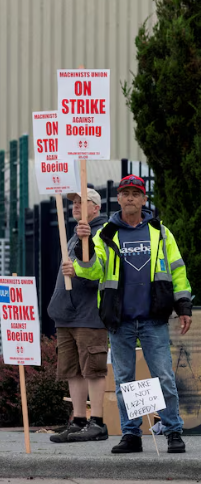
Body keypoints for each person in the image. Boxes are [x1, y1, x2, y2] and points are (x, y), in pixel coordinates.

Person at [70, 174, 193, 454]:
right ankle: (131, 435)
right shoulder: (105, 234)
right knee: (125, 381)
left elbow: (177, 271)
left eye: (135, 194)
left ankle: (173, 431)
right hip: (120, 319)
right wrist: (83, 246)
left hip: (154, 318)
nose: (129, 198)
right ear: (118, 199)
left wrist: (183, 307)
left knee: (164, 377)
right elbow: (91, 272)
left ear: (143, 199)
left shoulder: (160, 232)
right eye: (125, 193)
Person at [49, 188, 109, 443]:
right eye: (73, 202)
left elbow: (102, 269)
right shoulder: (74, 235)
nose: (75, 205)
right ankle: (79, 420)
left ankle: (97, 421)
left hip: (89, 314)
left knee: (92, 369)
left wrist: (79, 269)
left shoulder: (102, 233)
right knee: (72, 369)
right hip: (67, 314)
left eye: (83, 202)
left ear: (96, 208)